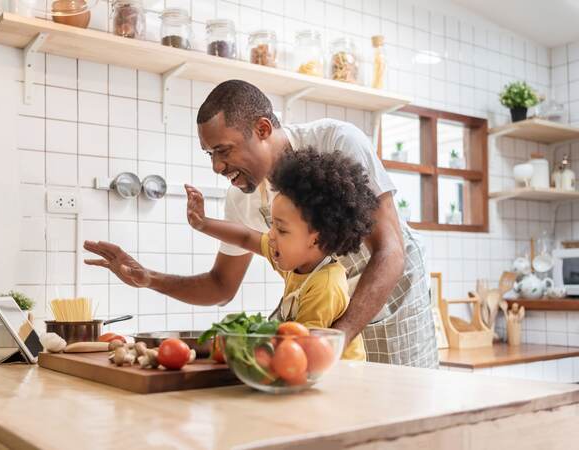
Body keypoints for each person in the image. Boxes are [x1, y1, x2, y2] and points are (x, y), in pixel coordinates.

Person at [84, 79, 438, 368]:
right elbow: (221, 285)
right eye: (210, 155)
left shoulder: (337, 141)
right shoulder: (242, 196)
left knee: (400, 413)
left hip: (390, 300)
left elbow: (390, 249)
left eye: (223, 150)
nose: (217, 167)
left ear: (263, 128)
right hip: (324, 317)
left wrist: (341, 335)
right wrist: (148, 279)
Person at [184, 148, 379, 361]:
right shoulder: (297, 260)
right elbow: (246, 238)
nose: (271, 236)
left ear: (315, 239)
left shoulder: (326, 284)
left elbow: (301, 349)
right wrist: (203, 224)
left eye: (282, 230)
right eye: (273, 225)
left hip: (341, 379)